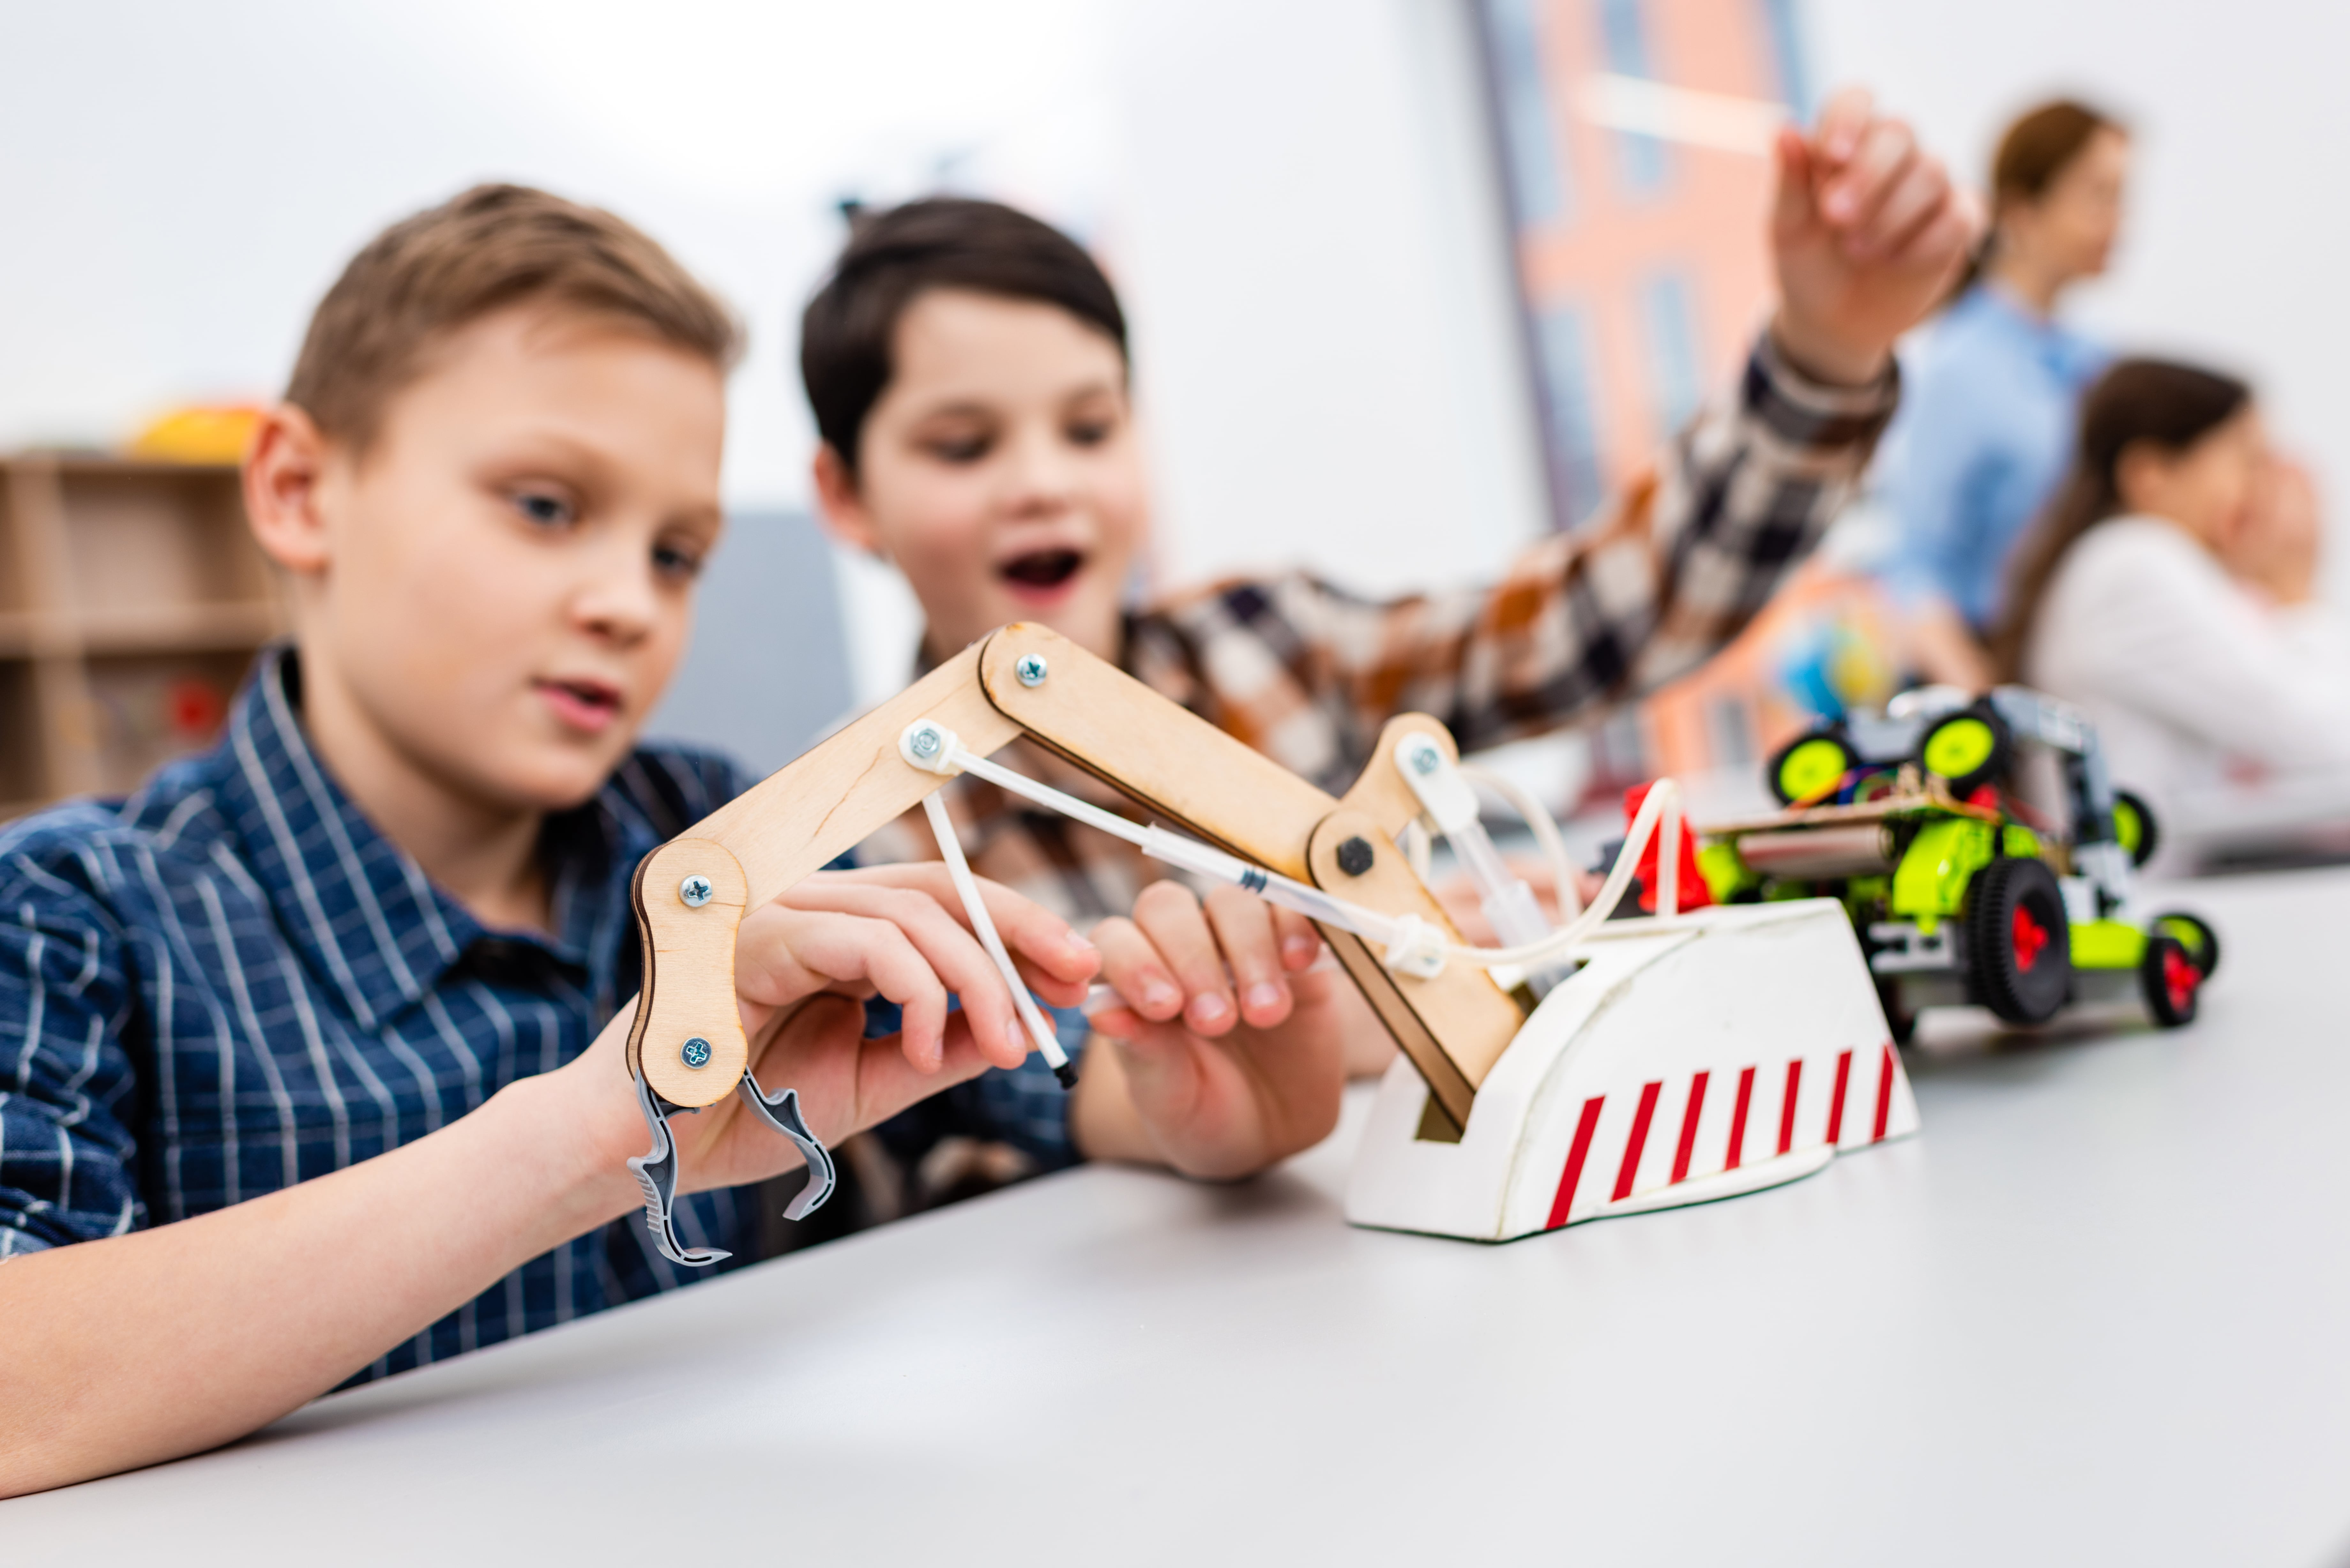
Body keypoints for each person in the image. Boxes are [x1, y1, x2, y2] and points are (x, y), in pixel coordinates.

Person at [0, 185, 1341, 1497]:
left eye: (677, 553)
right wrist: (593, 1133)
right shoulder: (73, 911)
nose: (627, 604)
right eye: (544, 506)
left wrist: (1203, 1107)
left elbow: (1052, 1094)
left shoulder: (717, 828)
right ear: (299, 489)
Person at [801, 88, 1975, 1136]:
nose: (1043, 481)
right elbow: (965, 1145)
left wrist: (1824, 356)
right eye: (964, 445)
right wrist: (1345, 1010)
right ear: (847, 496)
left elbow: (1598, 621)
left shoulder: (1277, 640)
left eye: (1092, 427)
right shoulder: (857, 845)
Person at [1994, 358, 2350, 862]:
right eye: (2248, 462)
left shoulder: (2125, 563)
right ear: (2151, 475)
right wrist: (2295, 591)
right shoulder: (2138, 564)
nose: (2264, 491)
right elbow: (2330, 744)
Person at [1878, 99, 2129, 689]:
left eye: (2122, 197)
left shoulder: (2093, 363)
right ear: (2023, 208)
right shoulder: (1959, 368)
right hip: (1996, 674)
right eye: (2100, 194)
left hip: (2086, 667)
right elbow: (1915, 570)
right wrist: (1992, 714)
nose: (2119, 220)